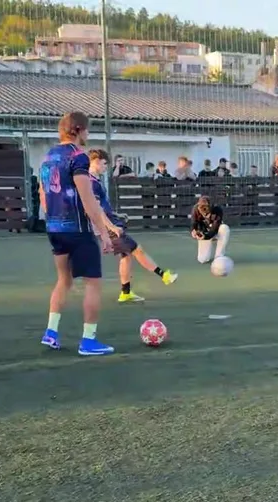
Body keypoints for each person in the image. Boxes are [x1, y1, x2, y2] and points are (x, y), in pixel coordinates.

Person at [39, 110, 120, 356]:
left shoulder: (48, 157)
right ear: (78, 130)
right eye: (87, 129)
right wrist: (104, 233)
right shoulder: (78, 157)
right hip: (78, 229)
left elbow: (43, 195)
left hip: (54, 228)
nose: (88, 134)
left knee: (63, 280)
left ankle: (51, 332)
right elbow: (87, 198)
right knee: (93, 283)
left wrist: (53, 217)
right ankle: (88, 340)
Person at [86, 149, 177, 303]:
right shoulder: (91, 182)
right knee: (137, 249)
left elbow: (102, 206)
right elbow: (96, 209)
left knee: (126, 255)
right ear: (95, 161)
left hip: (110, 221)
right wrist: (111, 227)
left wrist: (117, 214)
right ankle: (164, 276)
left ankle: (126, 292)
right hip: (107, 226)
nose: (106, 167)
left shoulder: (96, 180)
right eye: (104, 163)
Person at [191, 195, 229, 264]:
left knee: (224, 228)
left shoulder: (217, 210)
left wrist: (206, 236)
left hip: (216, 232)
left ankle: (219, 256)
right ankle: (208, 247)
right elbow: (194, 224)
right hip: (204, 233)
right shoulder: (195, 209)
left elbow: (215, 228)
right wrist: (194, 231)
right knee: (202, 259)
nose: (204, 211)